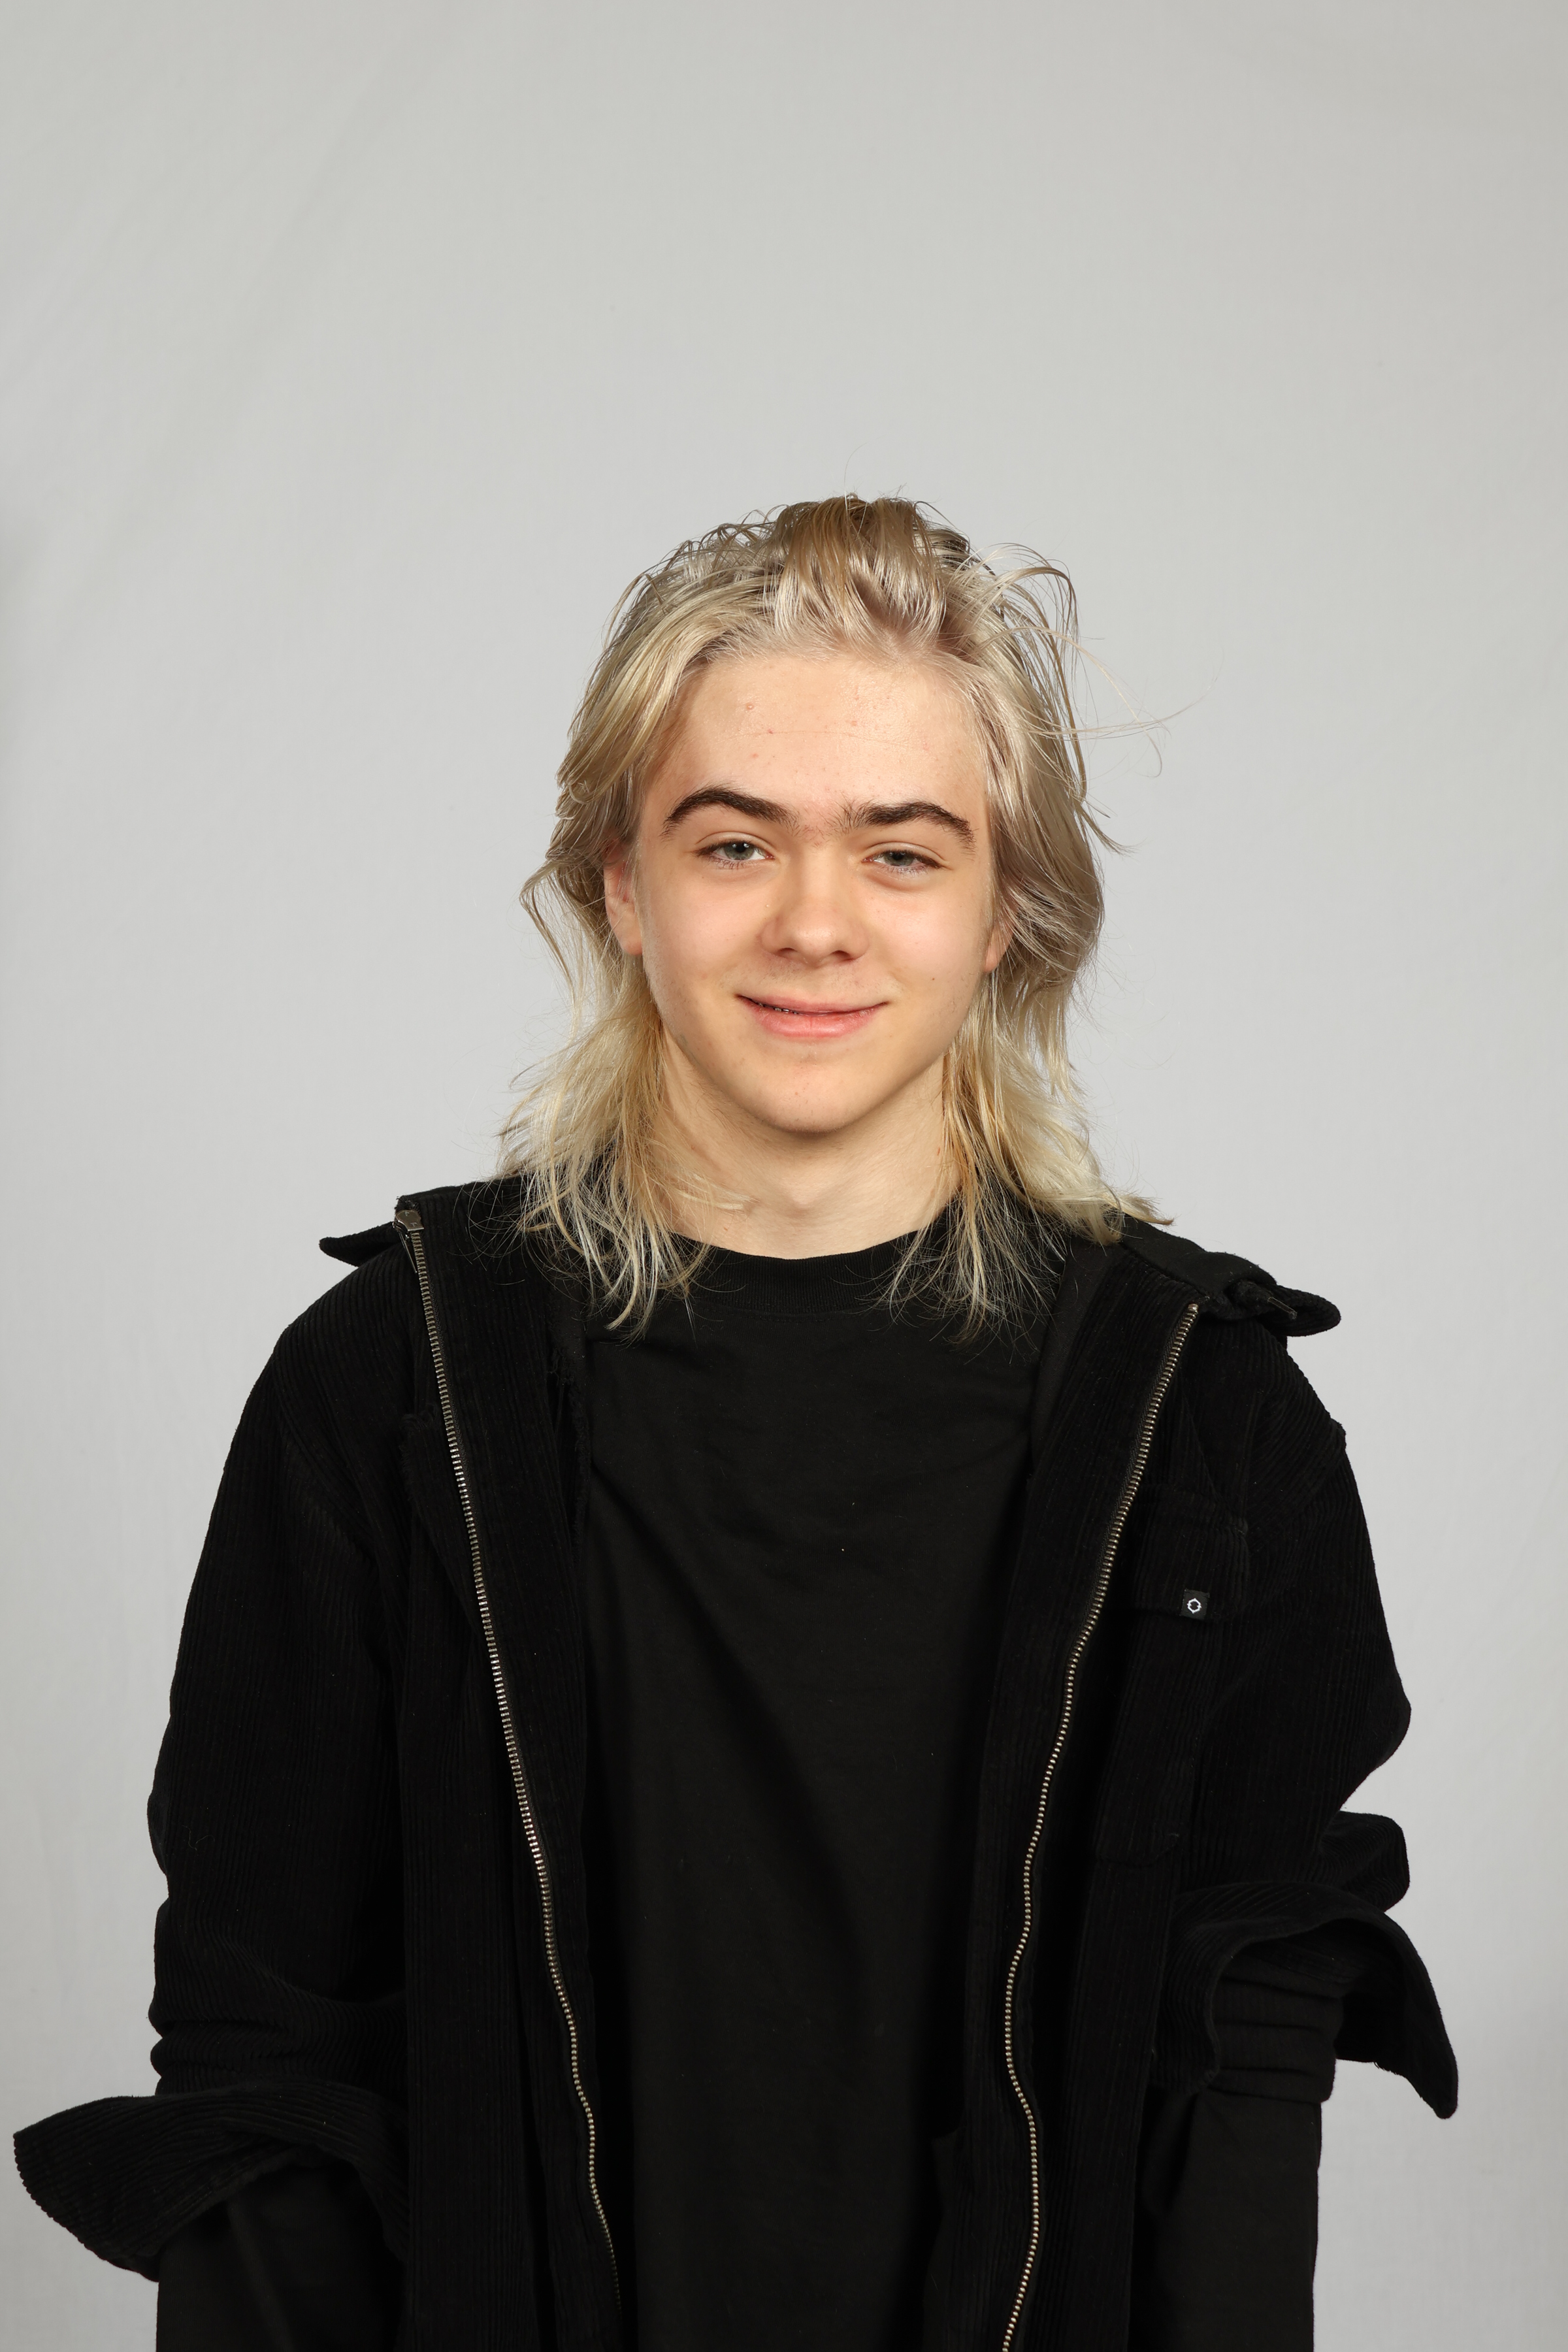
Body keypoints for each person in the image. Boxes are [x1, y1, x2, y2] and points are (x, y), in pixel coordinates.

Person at [16, 497, 1456, 2351]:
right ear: (623, 886)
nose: (813, 924)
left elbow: (1241, 2066)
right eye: (733, 841)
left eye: (902, 851)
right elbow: (266, 2052)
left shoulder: (1204, 1415)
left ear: (1008, 911)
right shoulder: (388, 1389)